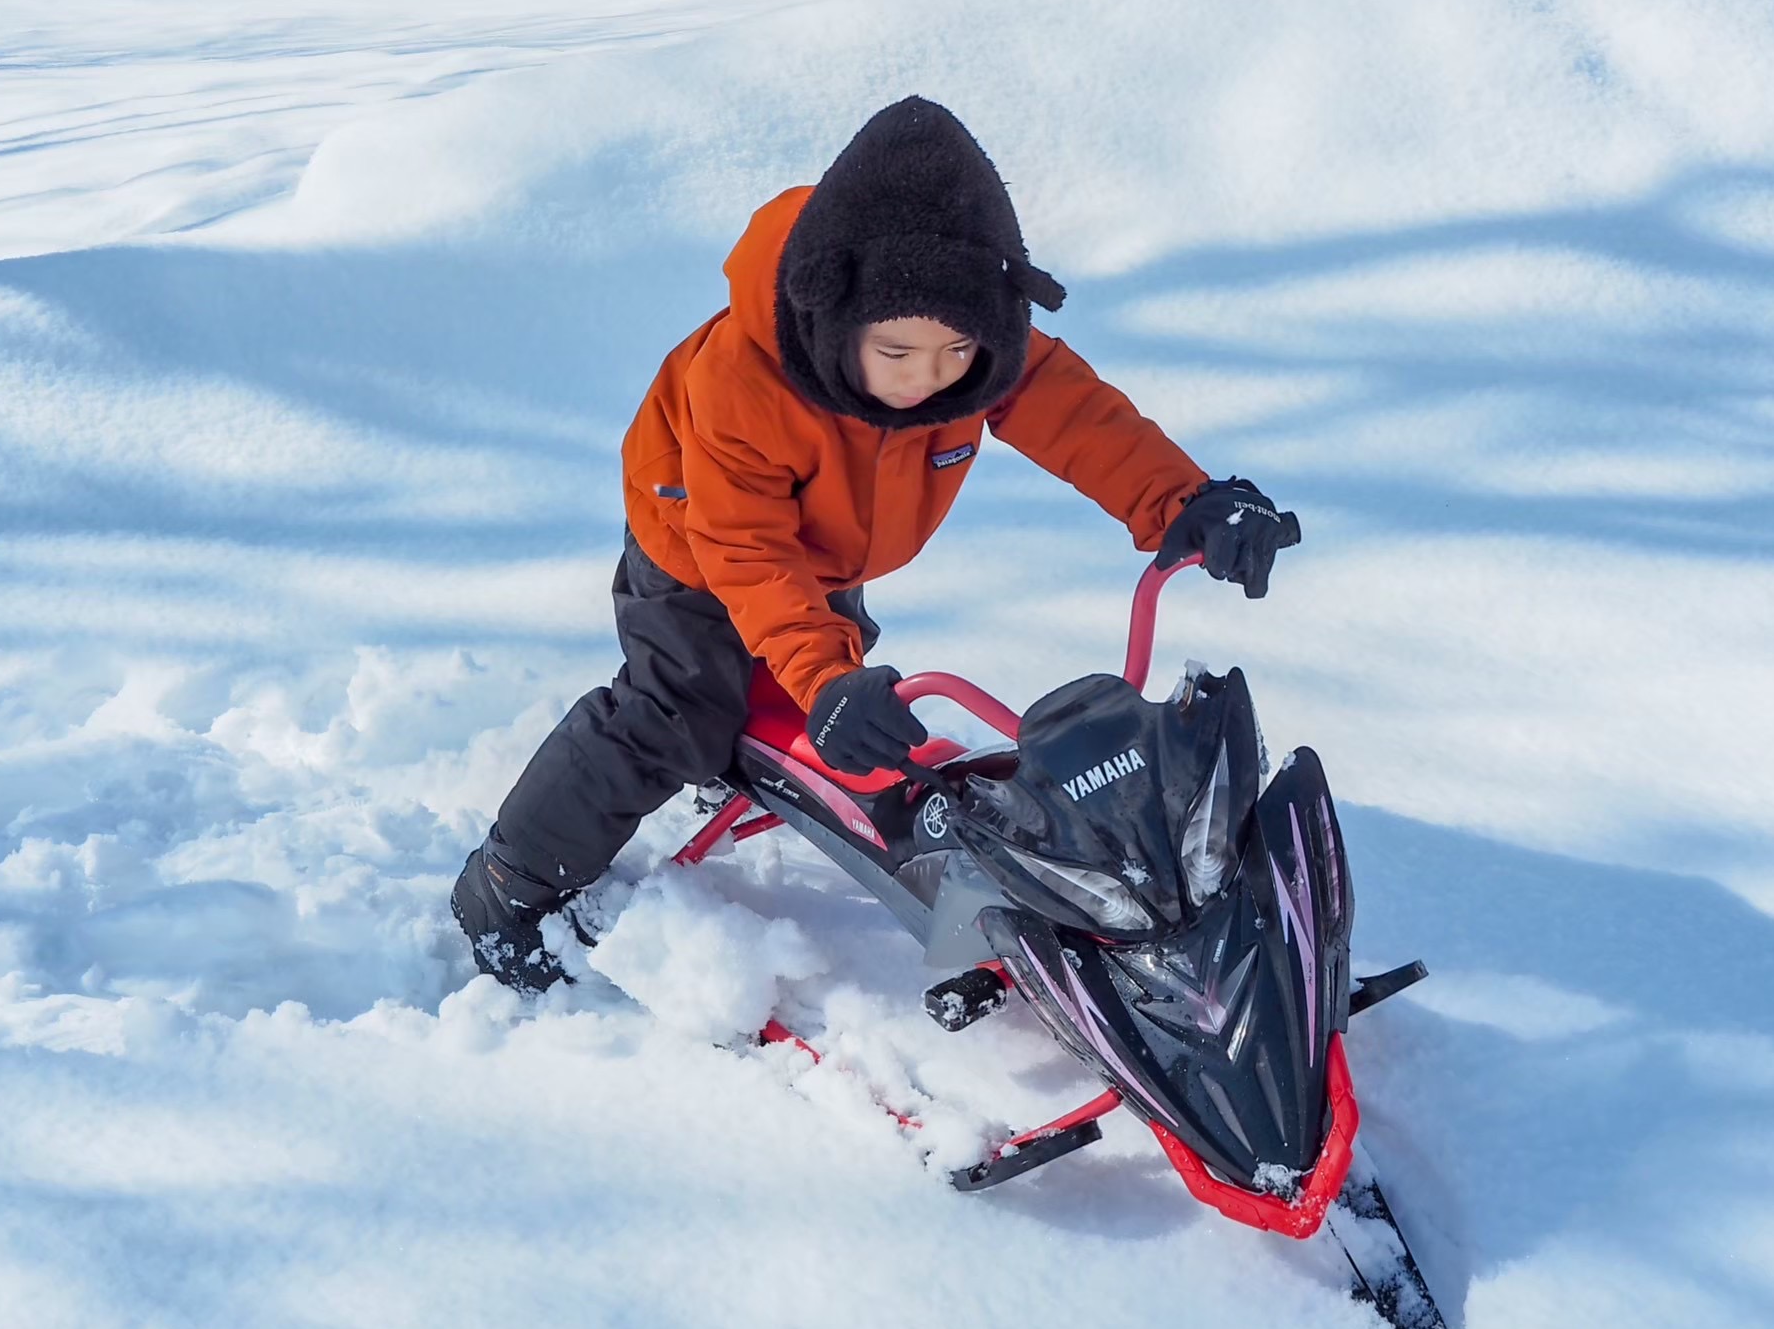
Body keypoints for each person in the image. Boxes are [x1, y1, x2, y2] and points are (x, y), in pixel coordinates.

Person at [451, 97, 1299, 993]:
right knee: (677, 714)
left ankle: (776, 749)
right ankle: (505, 884)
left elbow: (1077, 415)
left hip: (831, 545)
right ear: (834, 318)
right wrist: (824, 682)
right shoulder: (743, 379)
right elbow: (748, 550)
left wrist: (1185, 501)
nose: (929, 380)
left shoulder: (976, 354)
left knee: (846, 712)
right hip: (701, 542)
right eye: (897, 354)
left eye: (957, 353)